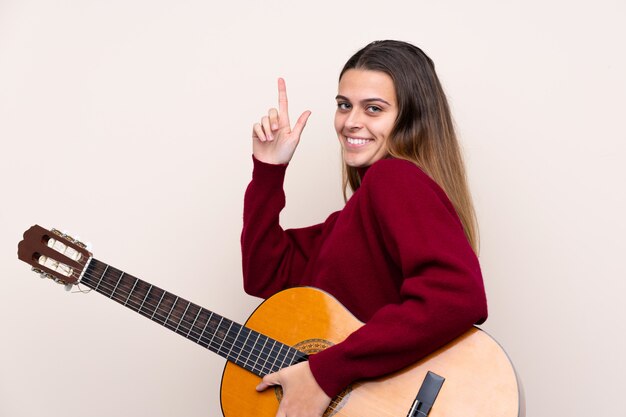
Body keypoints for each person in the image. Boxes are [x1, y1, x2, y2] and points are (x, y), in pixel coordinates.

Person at [241, 40, 488, 417]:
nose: (351, 121)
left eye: (373, 108)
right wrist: (268, 171)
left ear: (409, 118)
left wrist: (326, 373)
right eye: (344, 105)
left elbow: (457, 295)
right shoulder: (353, 219)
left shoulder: (395, 177)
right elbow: (266, 276)